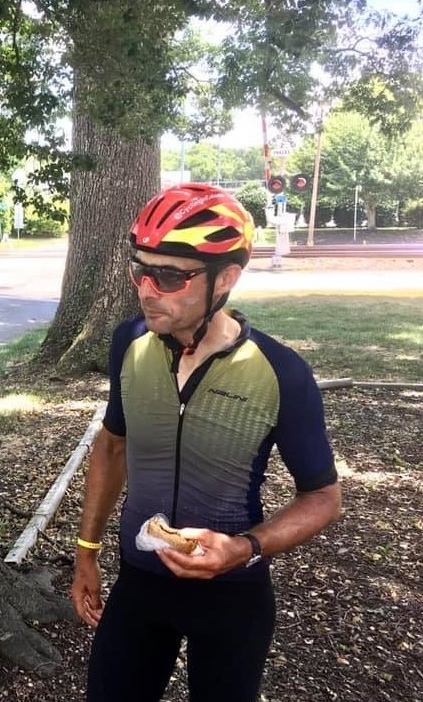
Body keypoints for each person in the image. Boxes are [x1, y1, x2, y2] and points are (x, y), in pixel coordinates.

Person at [71, 183, 342, 702]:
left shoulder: (281, 372)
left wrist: (244, 549)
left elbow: (323, 497)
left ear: (227, 278)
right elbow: (112, 446)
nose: (147, 289)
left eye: (170, 276)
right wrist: (87, 552)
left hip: (232, 595)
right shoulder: (128, 343)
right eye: (140, 270)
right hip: (139, 583)